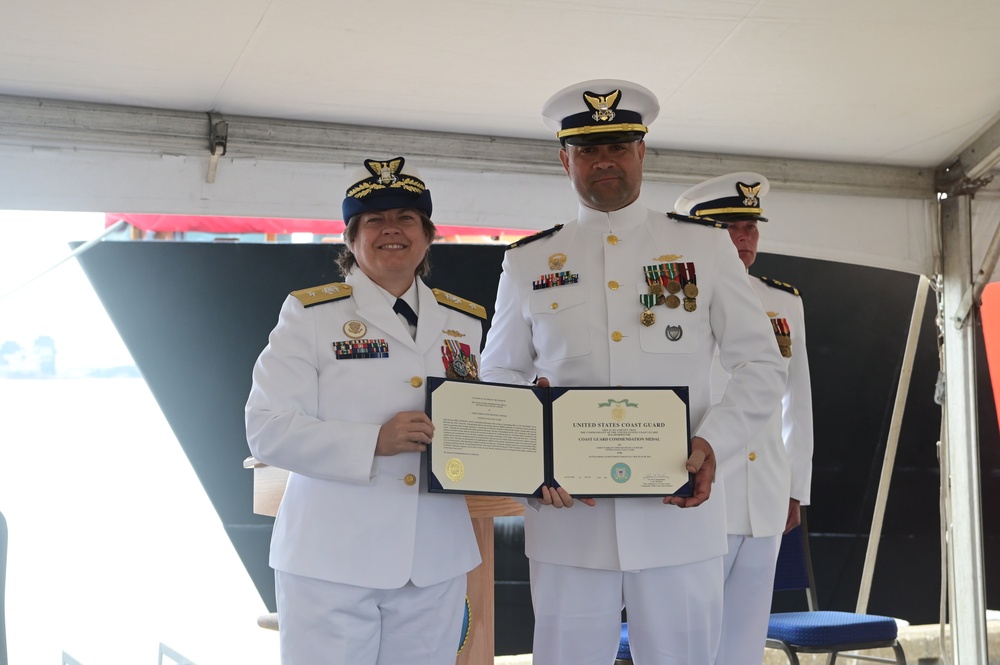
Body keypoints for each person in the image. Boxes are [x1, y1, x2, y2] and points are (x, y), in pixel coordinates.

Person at [479, 79, 787, 664]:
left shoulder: (704, 247)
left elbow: (760, 364)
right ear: (564, 158)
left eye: (618, 146)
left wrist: (713, 442)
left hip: (679, 520)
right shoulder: (528, 261)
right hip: (569, 523)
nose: (605, 162)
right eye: (589, 150)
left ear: (642, 152)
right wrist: (534, 459)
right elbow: (500, 375)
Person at [245, 156, 486, 665]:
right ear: (352, 239)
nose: (391, 230)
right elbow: (267, 429)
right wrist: (373, 441)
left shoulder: (464, 323)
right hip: (333, 559)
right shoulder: (310, 316)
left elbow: (484, 417)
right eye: (374, 220)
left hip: (434, 558)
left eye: (406, 219)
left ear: (427, 236)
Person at [673, 172, 814, 664]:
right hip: (706, 489)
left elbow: (797, 399)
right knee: (693, 635)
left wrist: (797, 485)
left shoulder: (784, 301)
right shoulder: (676, 299)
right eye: (730, 227)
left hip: (768, 493)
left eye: (751, 226)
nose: (744, 237)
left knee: (746, 640)